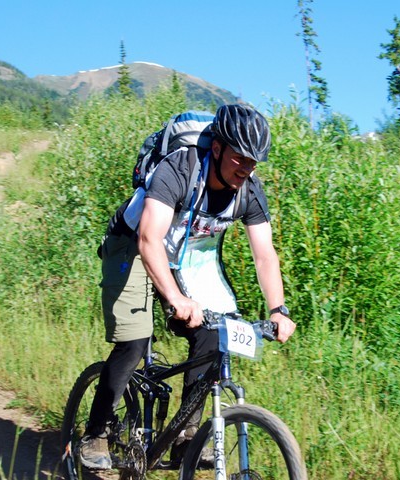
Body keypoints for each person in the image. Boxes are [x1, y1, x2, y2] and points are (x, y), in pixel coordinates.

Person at [79, 104, 296, 470]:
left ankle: (185, 438)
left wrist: (278, 309)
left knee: (213, 334)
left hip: (183, 254)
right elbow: (149, 239)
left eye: (254, 162)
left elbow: (265, 255)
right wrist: (176, 298)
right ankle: (95, 432)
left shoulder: (248, 189)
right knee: (134, 342)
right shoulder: (181, 169)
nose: (246, 168)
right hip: (132, 246)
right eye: (240, 158)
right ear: (218, 149)